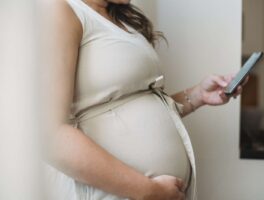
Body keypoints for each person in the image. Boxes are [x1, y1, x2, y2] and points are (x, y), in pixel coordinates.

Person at [42, 0, 245, 199]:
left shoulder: (118, 17)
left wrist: (198, 94)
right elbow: (50, 136)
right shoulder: (62, 10)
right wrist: (148, 190)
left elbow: (140, 105)